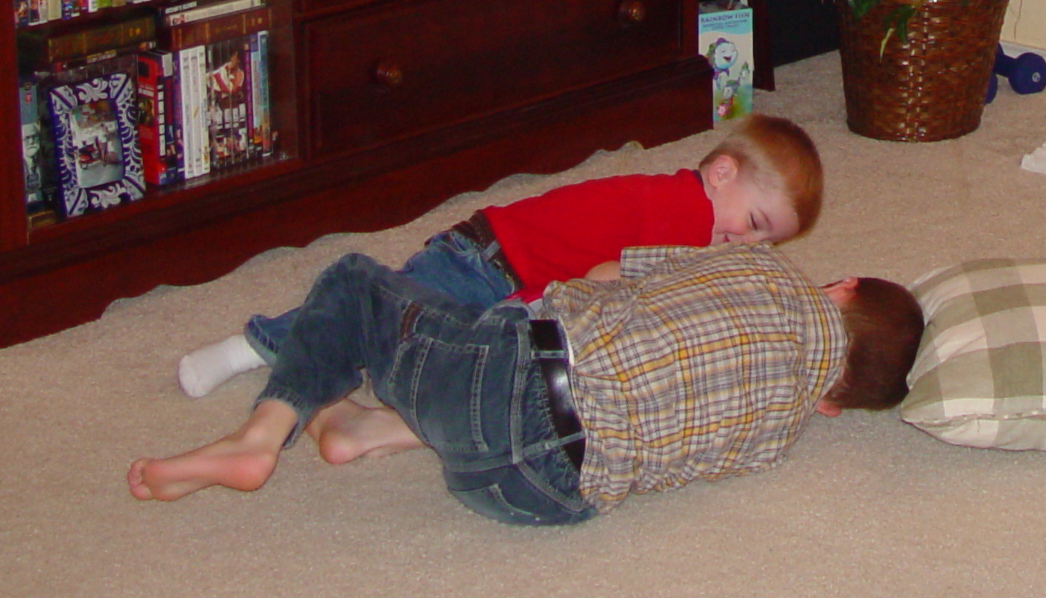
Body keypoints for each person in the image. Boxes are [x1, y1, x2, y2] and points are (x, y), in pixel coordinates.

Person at [127, 245, 925, 525]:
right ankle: (366, 430)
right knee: (540, 411)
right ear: (833, 402)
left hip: (515, 378)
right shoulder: (781, 435)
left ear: (843, 286)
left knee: (358, 286)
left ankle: (259, 438)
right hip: (542, 495)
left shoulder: (767, 269)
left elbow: (609, 273)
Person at [173, 115, 825, 397]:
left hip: (502, 267)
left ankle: (335, 371)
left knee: (413, 339)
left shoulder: (685, 207)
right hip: (486, 261)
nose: (745, 244)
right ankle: (253, 346)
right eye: (753, 224)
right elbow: (616, 281)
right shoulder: (686, 214)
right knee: (379, 311)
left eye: (767, 242)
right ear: (720, 174)